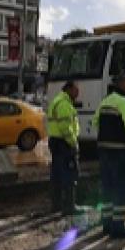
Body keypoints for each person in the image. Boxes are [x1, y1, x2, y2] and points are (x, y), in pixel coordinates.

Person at [92, 72, 125, 238]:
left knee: (108, 187)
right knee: (123, 187)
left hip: (104, 150)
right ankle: (118, 226)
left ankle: (107, 224)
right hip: (122, 151)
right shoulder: (124, 101)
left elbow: (95, 122)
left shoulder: (106, 100)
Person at [46, 80, 84, 216]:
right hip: (64, 143)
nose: (78, 92)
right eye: (76, 89)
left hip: (56, 142)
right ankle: (70, 206)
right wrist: (73, 143)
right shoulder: (64, 104)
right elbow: (65, 127)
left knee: (57, 174)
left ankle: (56, 205)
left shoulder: (57, 101)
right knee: (70, 173)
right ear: (68, 89)